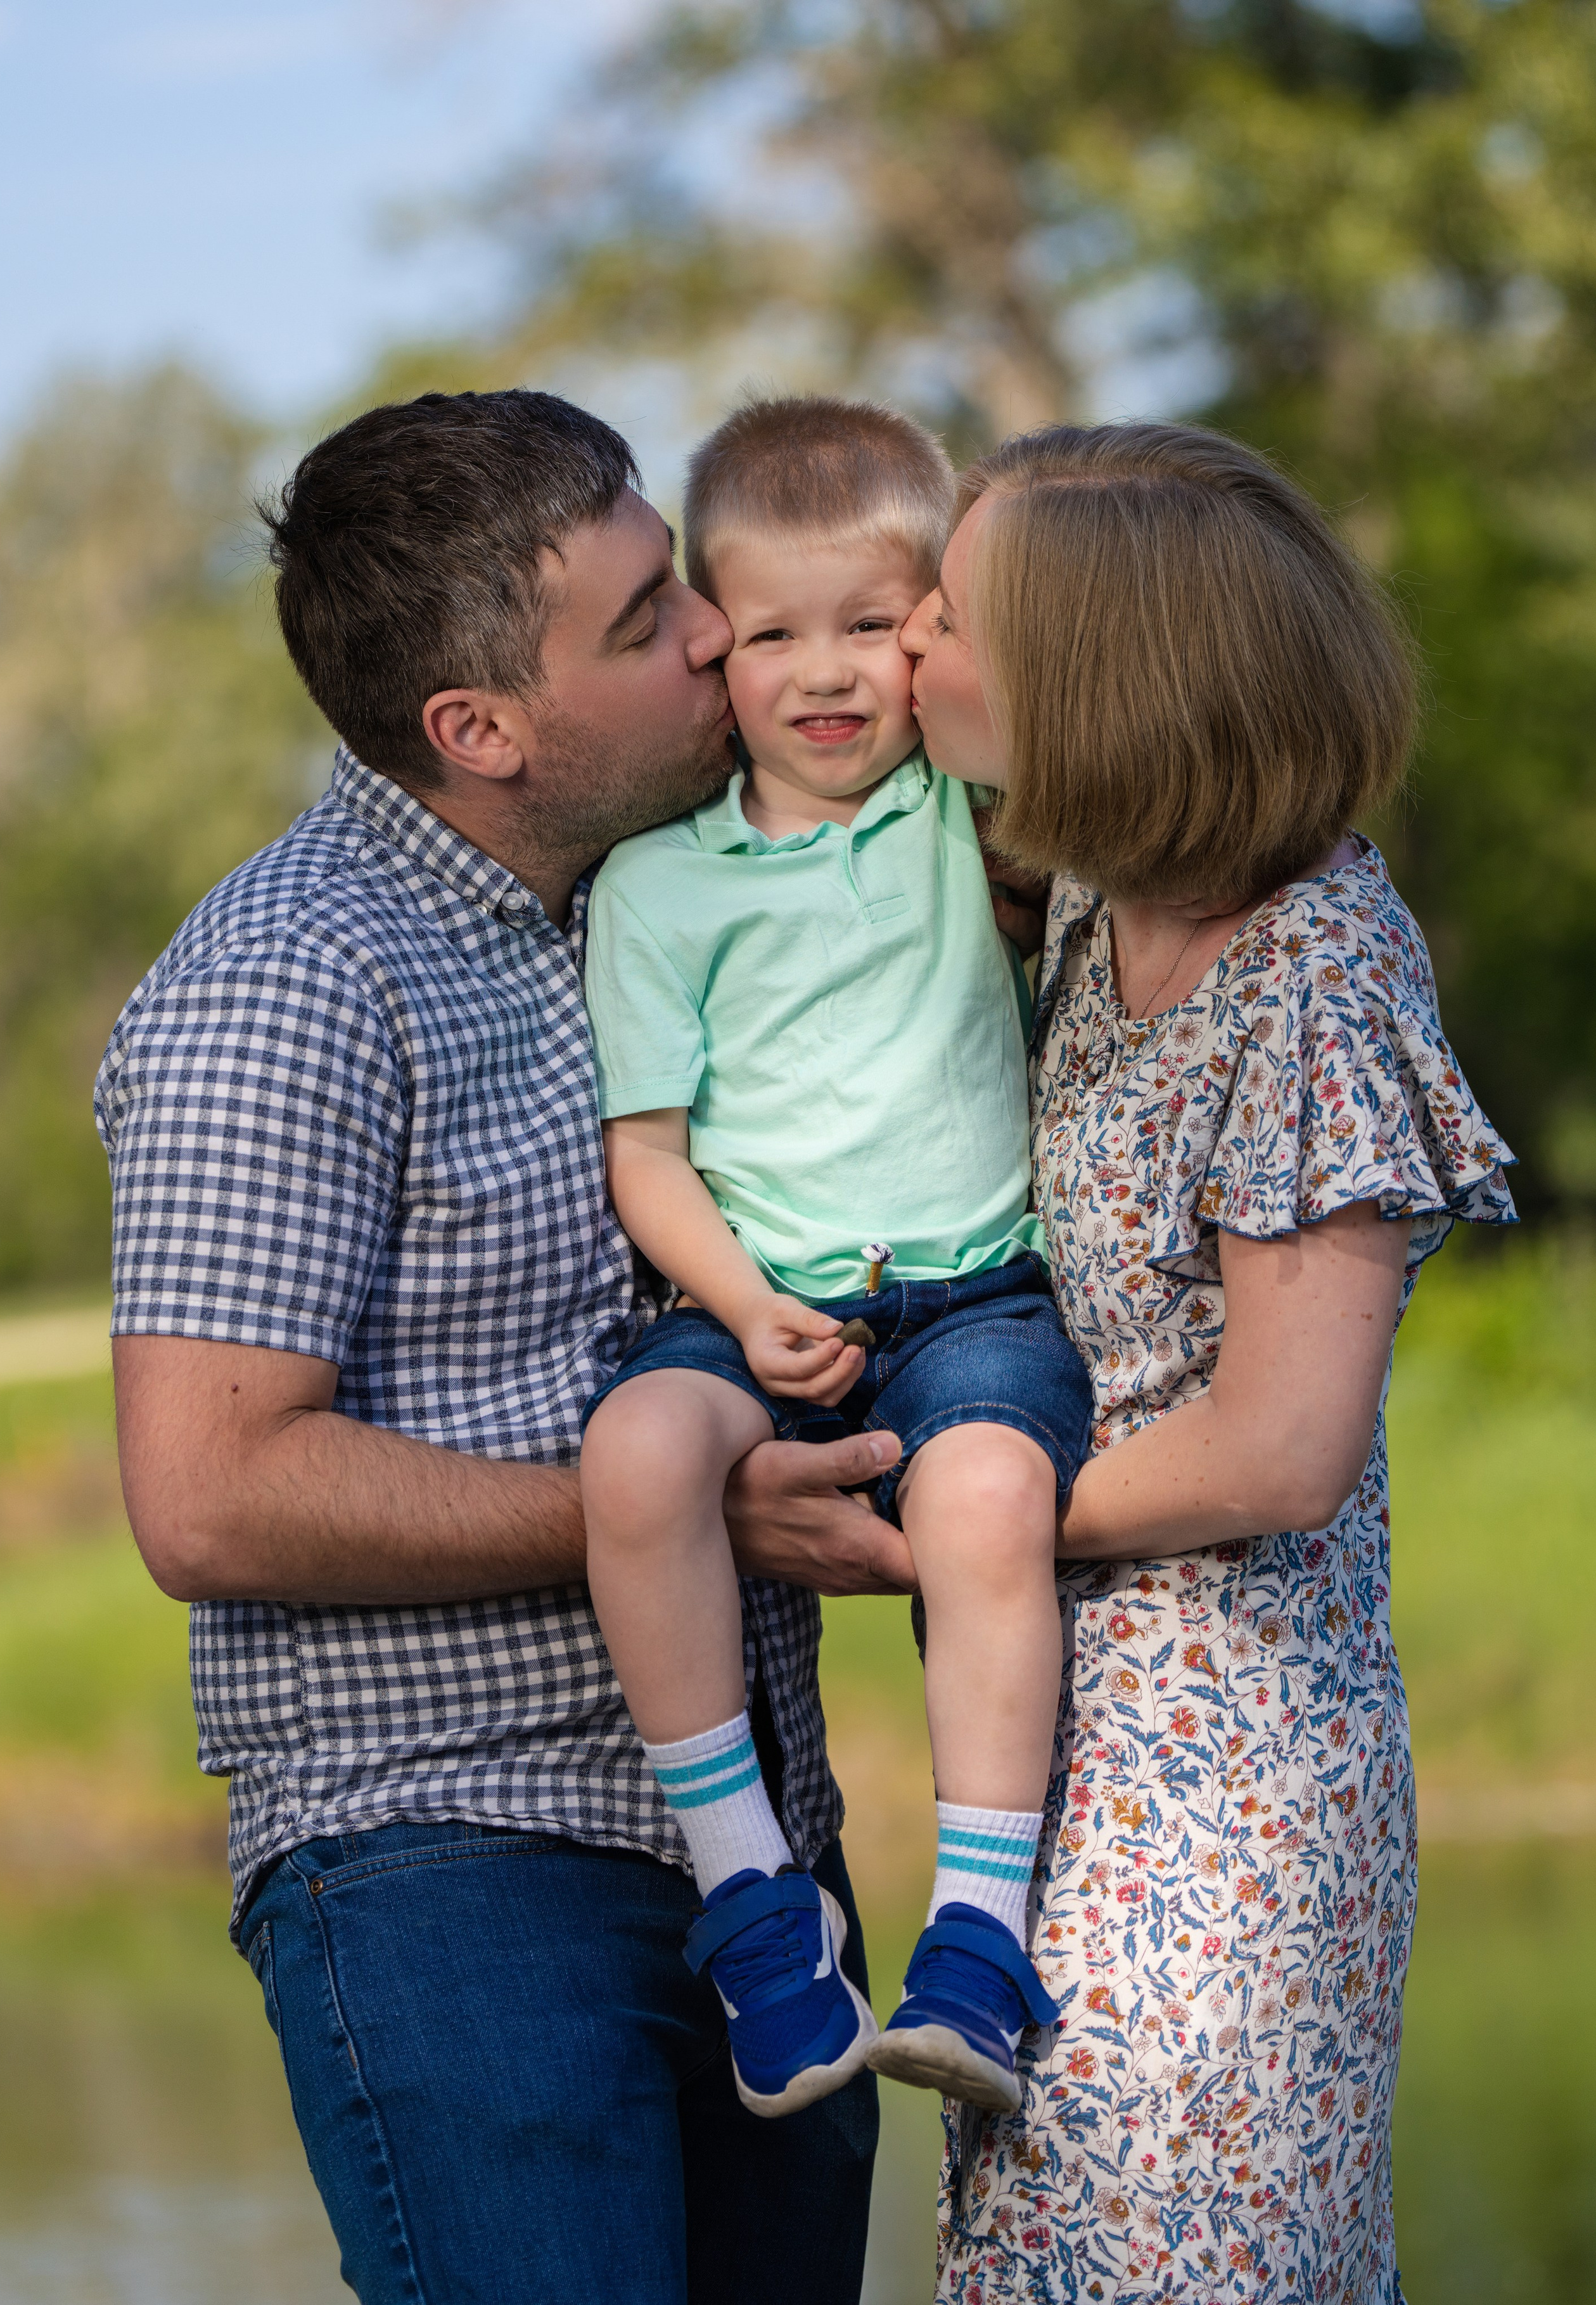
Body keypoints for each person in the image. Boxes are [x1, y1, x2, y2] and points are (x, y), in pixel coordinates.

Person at [93, 387, 907, 2305]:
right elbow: (210, 1496)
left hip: (755, 1863)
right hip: (450, 1872)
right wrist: (669, 1516)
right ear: (480, 732)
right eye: (644, 623)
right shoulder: (283, 987)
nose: (715, 628)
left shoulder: (661, 892)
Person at [902, 421, 1515, 2304]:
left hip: (1228, 1793)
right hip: (1048, 1762)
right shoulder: (1098, 899)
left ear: (1102, 679)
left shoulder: (1312, 963)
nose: (904, 640)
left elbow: (1279, 1447)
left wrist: (951, 1525)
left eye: (949, 610)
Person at [579, 396, 1091, 2121]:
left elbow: (1068, 717)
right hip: (760, 1299)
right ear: (713, 644)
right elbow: (646, 1157)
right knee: (640, 1453)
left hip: (973, 1290)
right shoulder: (659, 887)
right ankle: (752, 1896)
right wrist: (741, 1311)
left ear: (934, 630)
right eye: (778, 629)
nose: (830, 672)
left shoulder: (971, 821)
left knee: (989, 1504)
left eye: (875, 624)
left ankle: (975, 1936)